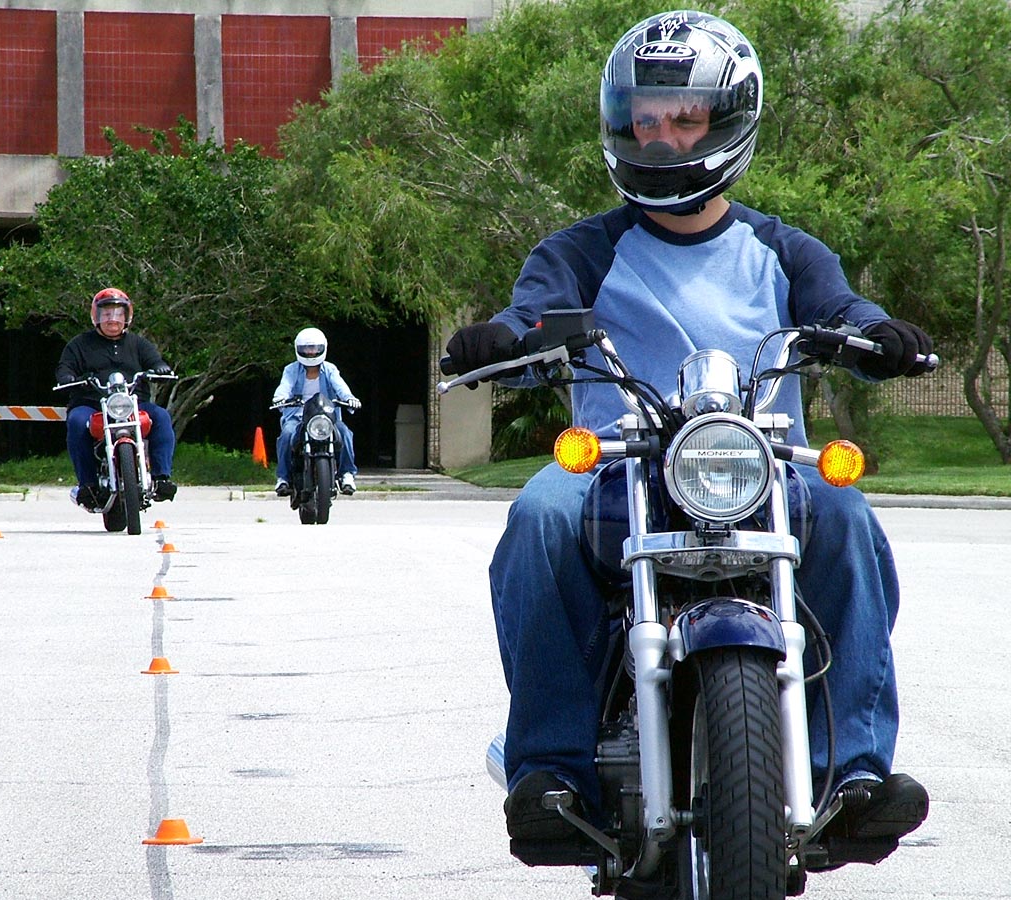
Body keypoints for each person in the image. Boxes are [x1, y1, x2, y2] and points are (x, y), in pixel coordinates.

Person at [445, 9, 931, 871]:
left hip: (761, 471)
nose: (662, 137)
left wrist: (876, 333)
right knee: (539, 515)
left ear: (728, 121)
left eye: (684, 118)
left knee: (848, 515)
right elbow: (532, 316)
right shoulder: (580, 251)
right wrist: (505, 338)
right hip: (617, 469)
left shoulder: (783, 250)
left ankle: (853, 773)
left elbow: (841, 310)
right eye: (645, 119)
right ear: (620, 124)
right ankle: (550, 772)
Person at [55, 288, 178, 509]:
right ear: (96, 316)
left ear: (127, 316)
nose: (113, 319)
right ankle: (88, 485)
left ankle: (162, 478)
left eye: (118, 313)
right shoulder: (79, 344)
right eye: (106, 313)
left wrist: (160, 368)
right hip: (92, 405)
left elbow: (155, 361)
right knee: (76, 421)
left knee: (161, 416)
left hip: (133, 404)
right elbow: (65, 368)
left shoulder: (139, 344)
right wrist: (68, 378)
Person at [271, 327, 361, 496]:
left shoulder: (330, 369)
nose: (311, 352)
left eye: (314, 348)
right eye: (306, 348)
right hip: (297, 417)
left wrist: (349, 398)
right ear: (298, 349)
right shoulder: (291, 370)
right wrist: (280, 398)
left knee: (345, 433)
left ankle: (347, 474)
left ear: (323, 348)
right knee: (287, 434)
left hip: (326, 417)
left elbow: (340, 386)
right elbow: (285, 386)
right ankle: (283, 478)